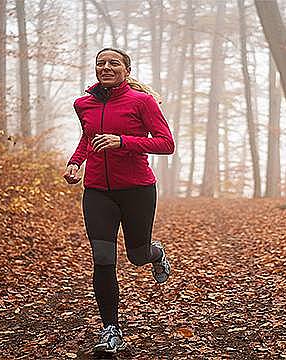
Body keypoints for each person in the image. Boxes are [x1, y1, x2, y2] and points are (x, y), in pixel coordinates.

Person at [62, 48, 174, 354]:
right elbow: (87, 137)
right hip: (97, 190)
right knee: (103, 258)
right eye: (101, 63)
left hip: (137, 189)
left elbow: (166, 143)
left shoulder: (142, 102)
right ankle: (111, 329)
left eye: (113, 63)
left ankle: (154, 252)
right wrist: (76, 162)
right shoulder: (83, 103)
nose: (106, 67)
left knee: (137, 255)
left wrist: (122, 141)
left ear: (126, 69)